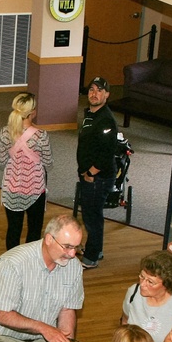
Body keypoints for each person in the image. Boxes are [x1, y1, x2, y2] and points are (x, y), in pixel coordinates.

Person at [0, 214, 84, 342]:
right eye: (67, 246)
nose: (72, 254)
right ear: (49, 239)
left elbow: (67, 309)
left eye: (76, 247)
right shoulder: (13, 263)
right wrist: (44, 328)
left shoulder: (73, 267)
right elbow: (1, 314)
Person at [0, 91, 52, 249]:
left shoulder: (5, 132)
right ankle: (30, 263)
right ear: (32, 112)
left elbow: (1, 161)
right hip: (35, 191)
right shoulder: (41, 135)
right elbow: (48, 162)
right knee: (34, 231)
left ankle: (11, 262)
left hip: (11, 189)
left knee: (13, 230)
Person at [76, 76, 118, 269]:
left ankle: (91, 257)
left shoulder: (106, 120)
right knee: (91, 215)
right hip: (90, 175)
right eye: (91, 90)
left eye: (99, 90)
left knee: (92, 217)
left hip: (97, 178)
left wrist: (90, 173)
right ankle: (97, 249)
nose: (94, 94)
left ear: (107, 95)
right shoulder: (91, 114)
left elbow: (107, 152)